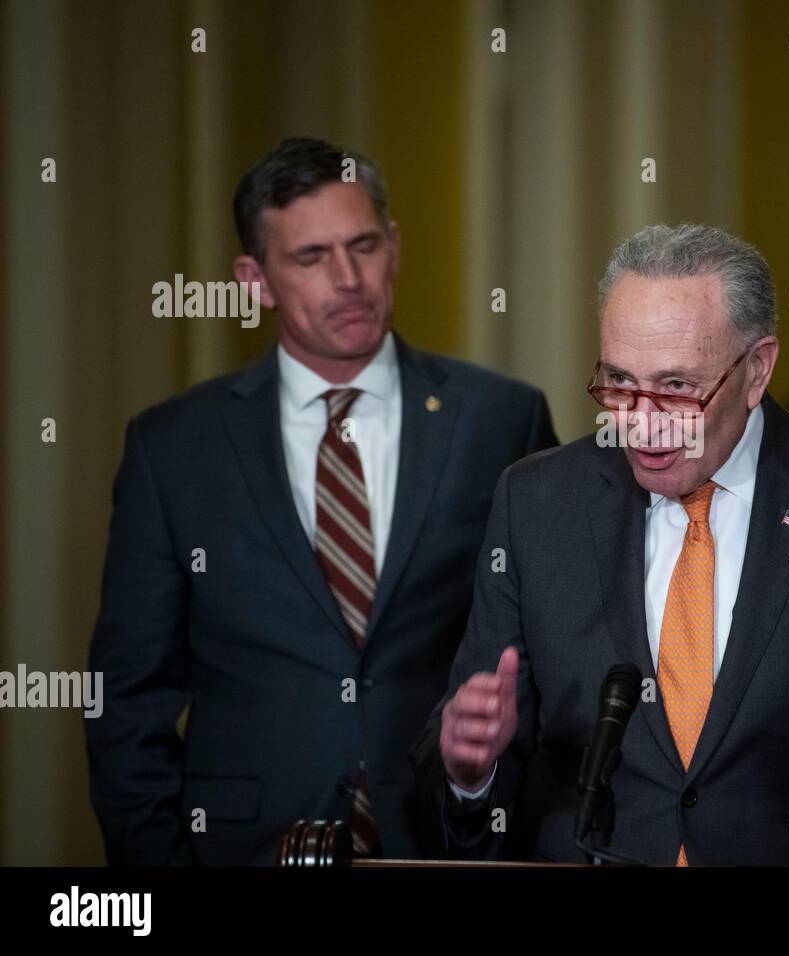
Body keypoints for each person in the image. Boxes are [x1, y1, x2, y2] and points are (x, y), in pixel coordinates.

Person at [411, 224, 789, 866]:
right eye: (620, 382)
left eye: (678, 387)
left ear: (757, 369)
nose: (643, 422)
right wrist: (467, 770)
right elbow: (475, 769)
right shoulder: (537, 503)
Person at [84, 137, 556, 865]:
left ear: (394, 246)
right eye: (311, 258)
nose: (348, 279)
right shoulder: (174, 448)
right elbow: (127, 698)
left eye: (363, 245)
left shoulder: (500, 421)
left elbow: (550, 655)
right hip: (241, 846)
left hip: (446, 842)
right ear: (255, 280)